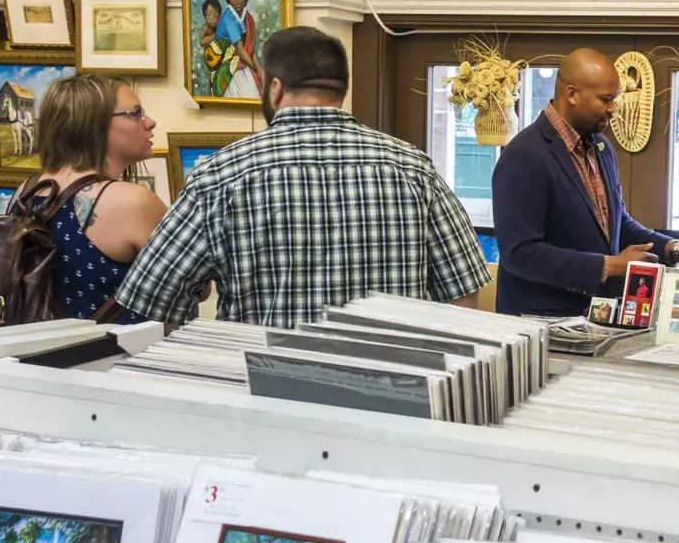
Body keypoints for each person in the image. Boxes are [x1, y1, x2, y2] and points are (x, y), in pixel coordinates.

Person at [117, 27, 487, 327]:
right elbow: (463, 294)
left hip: (262, 403)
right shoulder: (412, 169)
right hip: (393, 400)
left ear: (274, 87)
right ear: (342, 88)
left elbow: (155, 296)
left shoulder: (218, 177)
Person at [491, 47, 679, 318]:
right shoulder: (524, 155)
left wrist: (677, 249)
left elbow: (617, 224)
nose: (613, 109)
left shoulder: (600, 147)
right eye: (605, 99)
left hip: (593, 319)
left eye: (615, 99)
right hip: (540, 324)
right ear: (572, 94)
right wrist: (608, 266)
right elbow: (520, 254)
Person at [20, 74, 167, 321]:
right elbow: (193, 289)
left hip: (36, 354)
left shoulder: (27, 191)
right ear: (92, 124)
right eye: (136, 113)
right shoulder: (133, 202)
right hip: (121, 355)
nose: (150, 122)